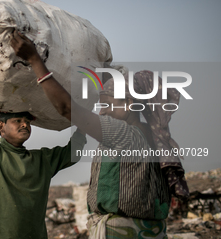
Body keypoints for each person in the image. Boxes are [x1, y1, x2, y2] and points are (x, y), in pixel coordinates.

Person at [10, 30, 189, 238]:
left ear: (129, 104)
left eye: (107, 104)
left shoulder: (125, 135)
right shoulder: (152, 137)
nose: (102, 110)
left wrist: (34, 60)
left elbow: (67, 109)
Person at [0, 45, 86, 239]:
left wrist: (85, 122)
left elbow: (75, 151)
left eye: (27, 122)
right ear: (0, 128)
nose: (24, 125)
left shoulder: (42, 160)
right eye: (17, 121)